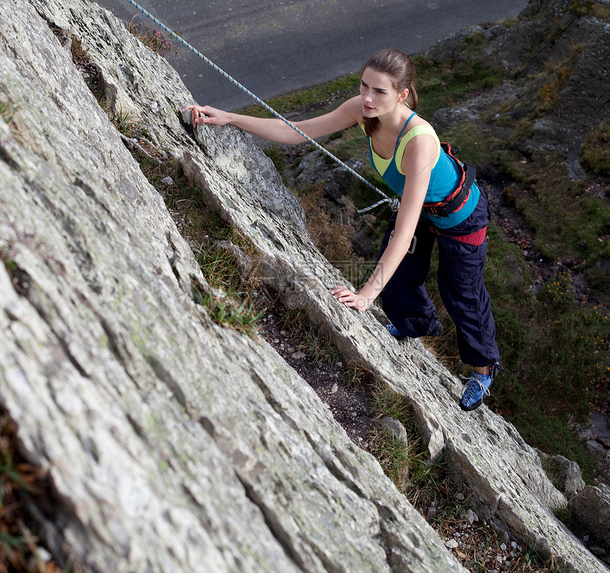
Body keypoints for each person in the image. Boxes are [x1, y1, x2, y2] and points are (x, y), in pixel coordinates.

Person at [184, 48, 501, 411]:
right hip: (423, 210)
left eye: (379, 91)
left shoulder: (418, 143)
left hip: (461, 217)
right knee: (398, 279)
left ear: (401, 94)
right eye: (364, 85)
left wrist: (365, 296)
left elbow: (405, 230)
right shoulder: (362, 110)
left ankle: (482, 370)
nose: (367, 97)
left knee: (461, 291)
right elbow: (296, 132)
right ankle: (414, 325)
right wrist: (229, 118)